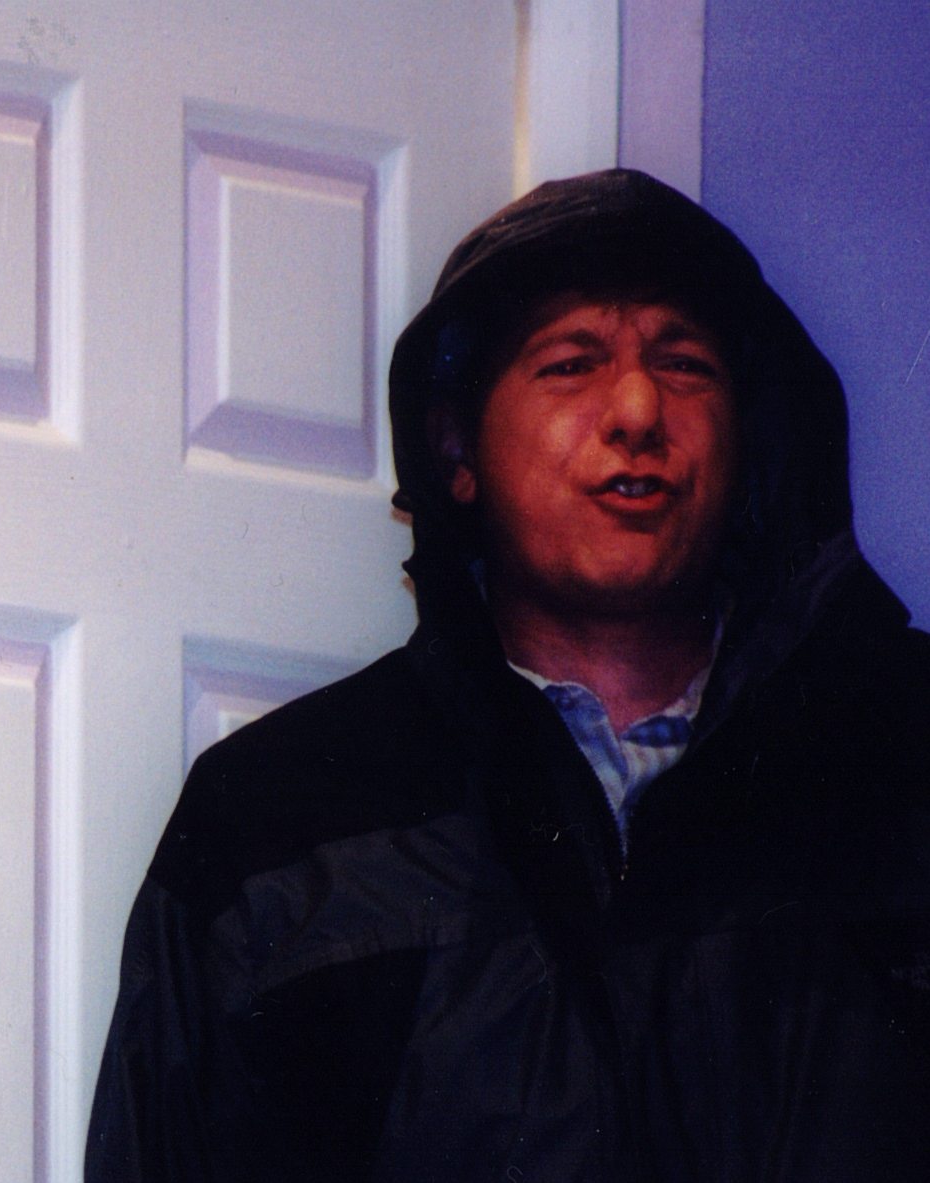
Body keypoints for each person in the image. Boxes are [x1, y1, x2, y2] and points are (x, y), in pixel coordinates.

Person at [86, 169, 930, 1179]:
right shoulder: (276, 821)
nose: (637, 408)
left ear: (754, 444)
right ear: (456, 447)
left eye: (685, 364)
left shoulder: (902, 761)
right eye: (570, 363)